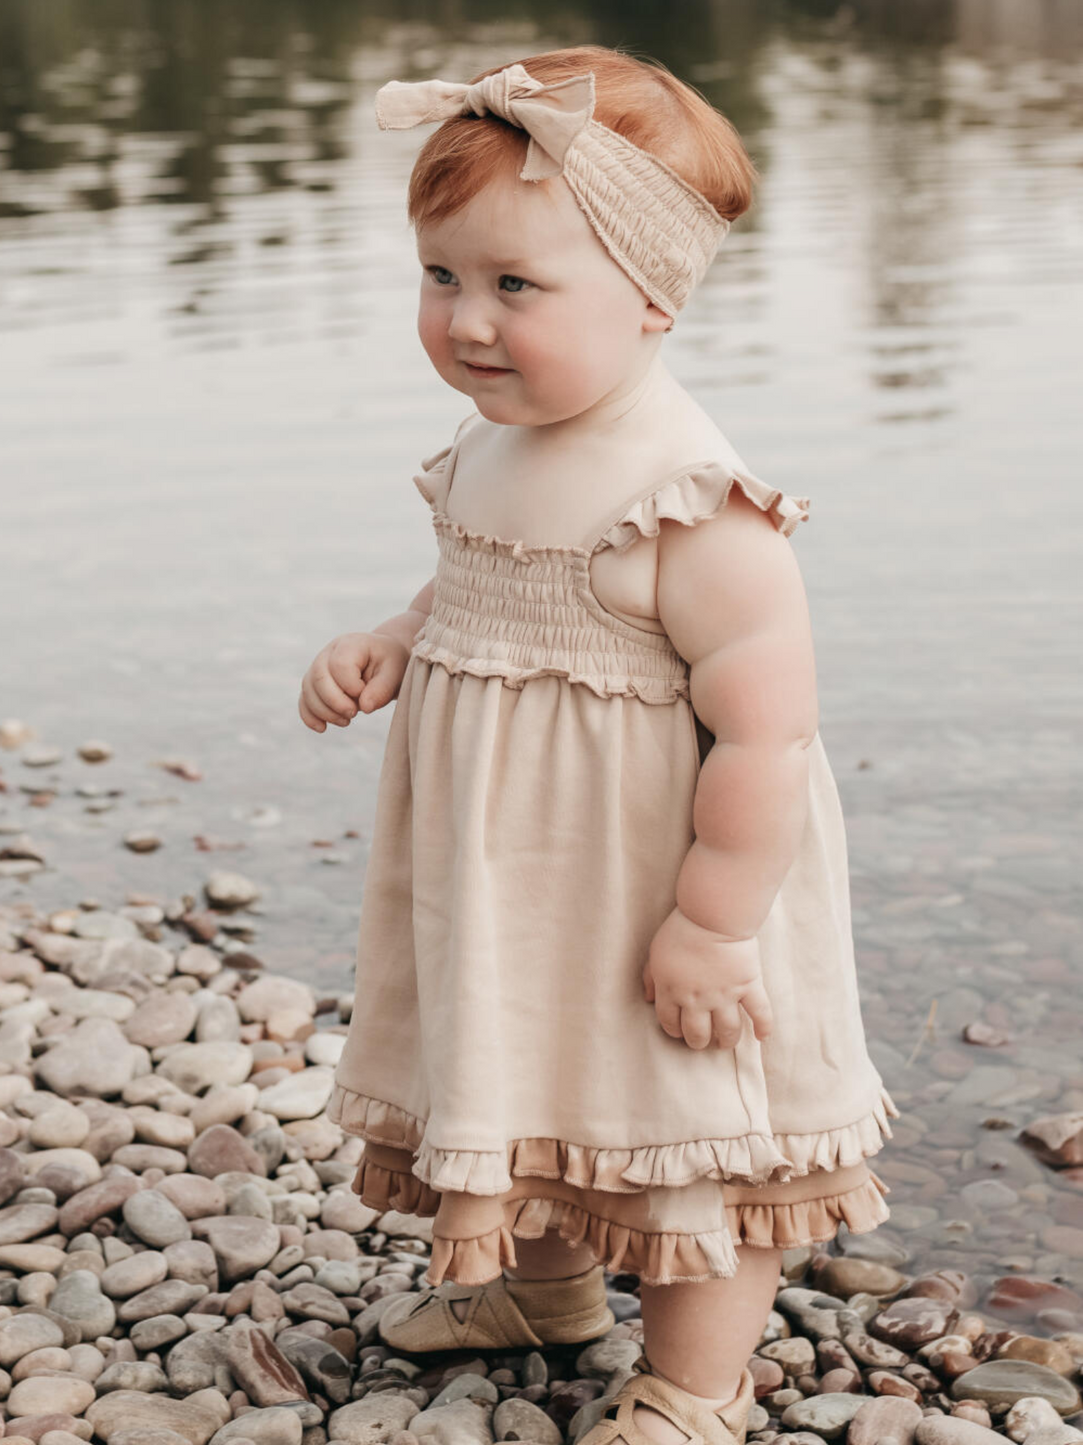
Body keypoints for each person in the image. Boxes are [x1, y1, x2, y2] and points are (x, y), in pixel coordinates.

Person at [298, 46, 897, 1445]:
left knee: (689, 1119)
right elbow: (487, 583)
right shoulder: (497, 441)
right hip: (516, 872)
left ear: (653, 299)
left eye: (517, 286)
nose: (468, 323)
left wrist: (712, 924)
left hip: (660, 883)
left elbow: (768, 734)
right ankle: (542, 1291)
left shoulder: (697, 508)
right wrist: (395, 636)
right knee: (519, 1057)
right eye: (443, 277)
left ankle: (695, 1385)